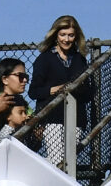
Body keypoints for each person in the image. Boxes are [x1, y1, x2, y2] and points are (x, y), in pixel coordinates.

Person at [27, 18, 85, 164]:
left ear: (76, 36)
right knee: (57, 161)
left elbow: (89, 91)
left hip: (76, 118)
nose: (66, 39)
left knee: (70, 162)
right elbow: (34, 92)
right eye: (63, 34)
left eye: (71, 35)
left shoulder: (80, 59)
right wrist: (56, 90)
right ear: (55, 35)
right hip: (52, 119)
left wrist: (78, 88)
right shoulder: (45, 59)